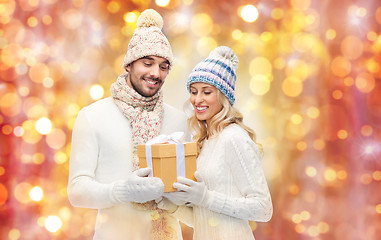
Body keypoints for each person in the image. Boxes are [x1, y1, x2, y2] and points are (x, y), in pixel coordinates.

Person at [67, 9, 189, 240]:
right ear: (130, 65)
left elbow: (186, 196)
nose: (156, 73)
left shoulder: (178, 121)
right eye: (147, 63)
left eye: (164, 66)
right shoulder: (93, 116)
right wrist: (122, 191)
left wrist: (188, 194)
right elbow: (77, 192)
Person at [156, 46, 273, 240]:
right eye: (194, 92)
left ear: (223, 96)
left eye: (207, 92)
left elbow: (263, 209)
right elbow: (208, 218)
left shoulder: (234, 138)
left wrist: (206, 197)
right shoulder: (204, 141)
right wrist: (174, 206)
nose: (197, 99)